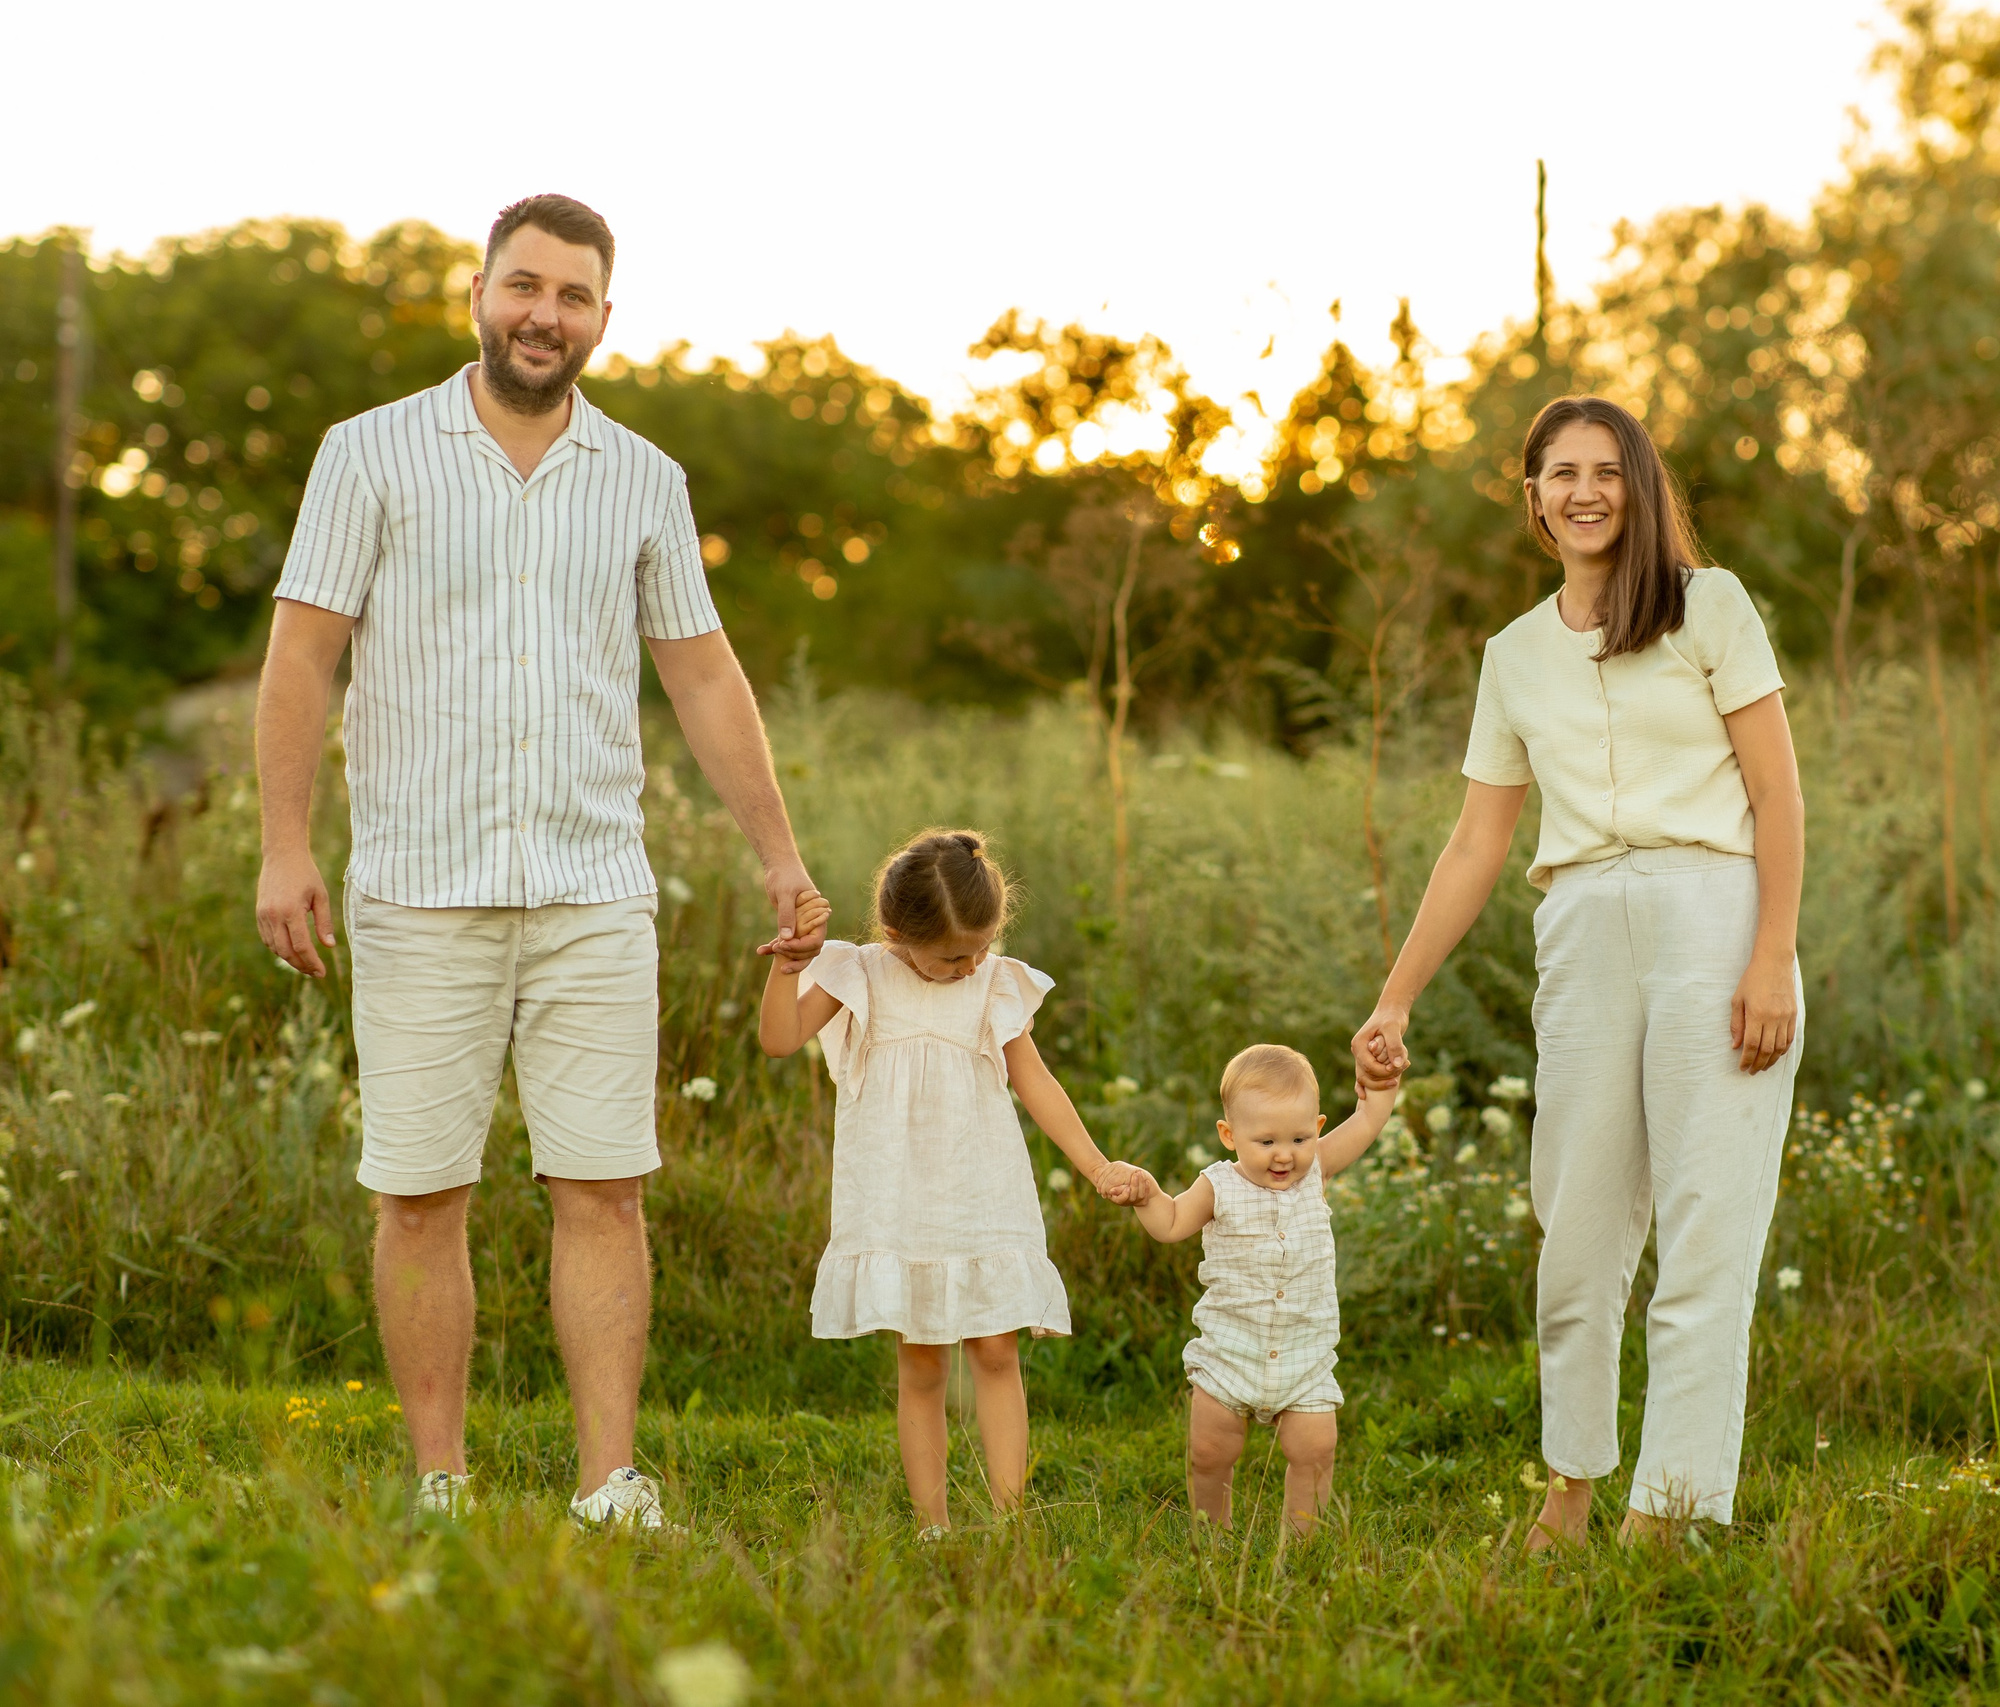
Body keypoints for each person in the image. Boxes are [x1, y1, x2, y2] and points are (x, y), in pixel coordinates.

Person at [255, 194, 823, 1529]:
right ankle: (439, 1481)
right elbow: (302, 656)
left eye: (572, 296)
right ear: (479, 292)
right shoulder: (369, 453)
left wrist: (780, 856)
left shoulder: (645, 479)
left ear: (602, 320)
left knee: (604, 1186)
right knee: (419, 1192)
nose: (543, 314)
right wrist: (286, 844)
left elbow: (702, 672)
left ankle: (608, 1480)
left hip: (591, 892)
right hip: (417, 884)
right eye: (525, 285)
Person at [1351, 395, 1806, 1548]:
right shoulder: (1511, 656)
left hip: (1715, 914)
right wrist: (1395, 996)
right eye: (1562, 472)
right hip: (1583, 928)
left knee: (1706, 1227)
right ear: (1534, 497)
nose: (1585, 490)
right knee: (1578, 1229)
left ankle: (1673, 1511)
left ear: (1640, 487)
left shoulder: (1710, 607)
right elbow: (1476, 842)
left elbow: (1777, 794)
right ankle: (1571, 1488)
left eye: (1608, 470)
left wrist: (1770, 959)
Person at [758, 830, 1135, 1538]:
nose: (970, 966)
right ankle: (934, 1525)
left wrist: (1097, 1164)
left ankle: (1008, 1518)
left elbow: (1037, 1084)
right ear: (897, 934)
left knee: (996, 1348)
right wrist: (787, 968)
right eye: (953, 955)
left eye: (981, 948)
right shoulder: (859, 973)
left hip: (981, 1189)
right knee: (923, 1361)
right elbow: (778, 1040)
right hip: (897, 1196)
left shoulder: (994, 983)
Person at [1112, 1043, 1400, 1536]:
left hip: (1304, 1354)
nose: (1285, 1154)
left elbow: (1369, 1122)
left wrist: (1381, 1086)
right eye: (1265, 1141)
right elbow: (1172, 1223)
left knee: (1315, 1450)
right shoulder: (1218, 1186)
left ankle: (1302, 1545)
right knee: (1209, 1453)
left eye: (1300, 1137)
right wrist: (1147, 1195)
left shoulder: (1317, 1171)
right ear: (1229, 1135)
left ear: (1319, 1128)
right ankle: (1212, 1534)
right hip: (1231, 1349)